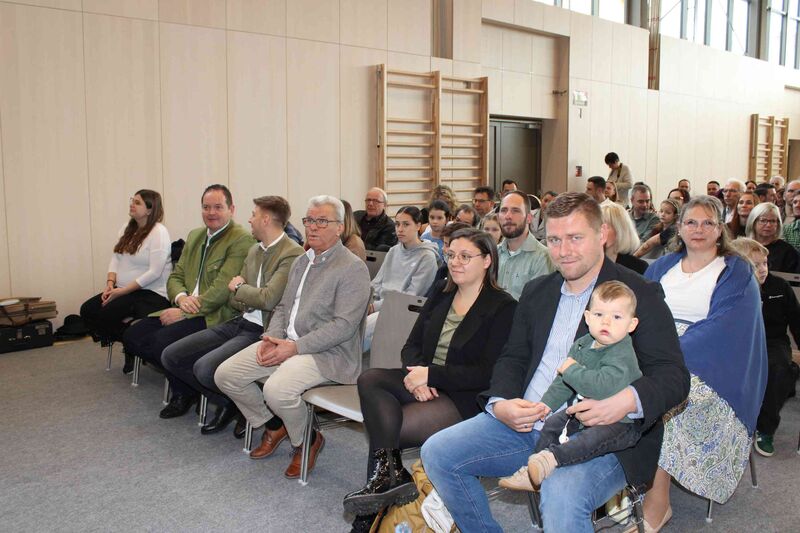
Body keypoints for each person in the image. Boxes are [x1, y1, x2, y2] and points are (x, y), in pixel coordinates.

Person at [421, 193, 688, 533]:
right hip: (527, 423)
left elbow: (673, 376)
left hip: (600, 435)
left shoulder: (638, 293)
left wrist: (625, 401)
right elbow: (513, 357)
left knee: (561, 493)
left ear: (602, 234)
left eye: (575, 238)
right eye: (554, 240)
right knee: (438, 452)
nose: (563, 251)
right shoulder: (537, 291)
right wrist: (500, 403)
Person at [342, 228, 517, 516]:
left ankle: (374, 507)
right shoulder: (441, 292)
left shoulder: (503, 307)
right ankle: (388, 480)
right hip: (424, 379)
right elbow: (411, 345)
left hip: (464, 396)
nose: (455, 262)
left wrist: (431, 376)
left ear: (487, 260)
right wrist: (419, 377)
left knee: (386, 428)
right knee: (370, 379)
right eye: (451, 255)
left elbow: (486, 373)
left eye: (465, 256)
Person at [214, 196, 371, 478]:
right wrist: (271, 338)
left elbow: (343, 326)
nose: (313, 227)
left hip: (328, 355)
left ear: (339, 227)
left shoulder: (353, 267)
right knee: (227, 375)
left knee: (276, 390)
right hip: (286, 343)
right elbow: (284, 307)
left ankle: (306, 440)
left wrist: (294, 347)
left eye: (322, 221)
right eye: (309, 220)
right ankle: (275, 426)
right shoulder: (301, 261)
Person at [640, 196, 767, 530]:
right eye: (691, 222)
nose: (699, 229)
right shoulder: (661, 267)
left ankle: (657, 503)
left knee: (664, 401)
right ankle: (614, 483)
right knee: (607, 385)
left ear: (720, 229)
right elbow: (635, 309)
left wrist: (664, 354)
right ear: (679, 229)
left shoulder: (736, 271)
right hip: (652, 349)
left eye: (708, 222)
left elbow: (726, 327)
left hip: (711, 365)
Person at [160, 196, 303, 435]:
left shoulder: (292, 253)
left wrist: (240, 288)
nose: (249, 219)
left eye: (254, 214)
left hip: (262, 330)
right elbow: (233, 299)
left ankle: (264, 418)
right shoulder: (255, 250)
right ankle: (233, 404)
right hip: (239, 320)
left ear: (266, 219)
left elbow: (268, 299)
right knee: (171, 355)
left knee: (205, 368)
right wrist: (243, 292)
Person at [122, 184, 254, 418]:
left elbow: (222, 290)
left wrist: (185, 313)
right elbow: (176, 276)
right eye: (206, 207)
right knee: (133, 336)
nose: (211, 212)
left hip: (215, 314)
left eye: (218, 207)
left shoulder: (241, 239)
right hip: (185, 305)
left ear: (231, 209)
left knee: (161, 342)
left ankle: (187, 393)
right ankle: (191, 385)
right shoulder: (195, 236)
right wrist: (181, 298)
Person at [499, 280, 642, 491]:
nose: (606, 322)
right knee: (553, 423)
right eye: (599, 314)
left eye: (617, 317)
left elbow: (601, 387)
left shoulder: (622, 353)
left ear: (631, 325)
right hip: (584, 411)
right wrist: (546, 404)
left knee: (589, 439)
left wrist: (571, 369)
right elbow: (564, 382)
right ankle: (534, 469)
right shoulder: (583, 344)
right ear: (587, 317)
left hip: (620, 423)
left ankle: (551, 459)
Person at [80, 190, 172, 373]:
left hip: (151, 293)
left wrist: (122, 291)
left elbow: (155, 272)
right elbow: (116, 257)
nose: (132, 204)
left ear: (149, 209)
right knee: (88, 310)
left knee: (106, 315)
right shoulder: (126, 228)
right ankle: (132, 345)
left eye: (137, 202)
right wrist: (110, 283)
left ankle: (132, 346)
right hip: (123, 290)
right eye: (132, 200)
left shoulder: (159, 232)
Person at [731, 238, 800, 457]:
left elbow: (797, 322)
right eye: (756, 265)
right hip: (737, 341)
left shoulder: (780, 286)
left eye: (765, 263)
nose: (762, 269)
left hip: (772, 340)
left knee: (779, 368)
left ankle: (766, 428)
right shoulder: (729, 287)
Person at [364, 206, 439, 351]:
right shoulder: (394, 250)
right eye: (397, 224)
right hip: (380, 305)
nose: (400, 229)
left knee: (363, 329)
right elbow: (377, 282)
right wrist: (367, 302)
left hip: (402, 311)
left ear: (418, 226)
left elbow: (410, 297)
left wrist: (374, 307)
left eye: (406, 224)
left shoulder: (427, 257)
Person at [496, 191, 556, 300]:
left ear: (529, 218)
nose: (508, 216)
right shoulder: (493, 254)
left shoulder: (543, 258)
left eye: (515, 211)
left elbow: (537, 304)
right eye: (503, 210)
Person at [746, 202, 800, 273]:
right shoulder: (743, 247)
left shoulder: (788, 252)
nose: (768, 225)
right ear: (753, 222)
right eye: (763, 220)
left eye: (773, 221)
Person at [602, 203, 648, 275]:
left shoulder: (639, 268)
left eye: (606, 227)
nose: (599, 231)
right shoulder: (587, 264)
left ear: (619, 231)